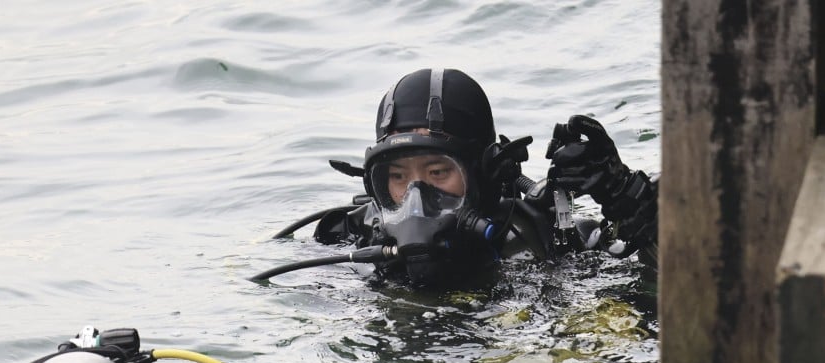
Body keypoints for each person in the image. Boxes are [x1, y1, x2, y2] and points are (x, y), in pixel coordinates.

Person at [272, 68, 658, 289]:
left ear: (484, 175)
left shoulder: (544, 240)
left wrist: (628, 200)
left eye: (438, 172)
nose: (416, 197)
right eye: (397, 177)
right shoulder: (352, 244)